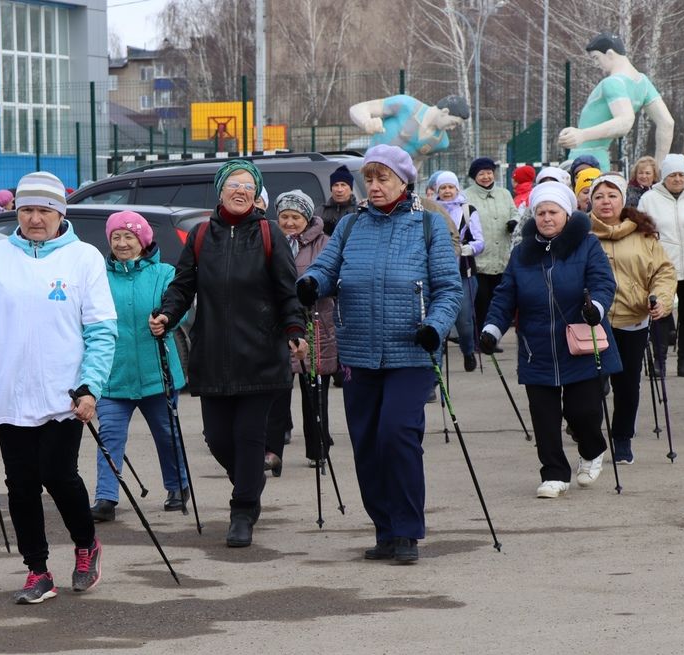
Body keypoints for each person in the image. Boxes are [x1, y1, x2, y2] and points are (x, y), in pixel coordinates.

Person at [295, 144, 462, 565]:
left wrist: (436, 327)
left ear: (404, 181)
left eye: (382, 177)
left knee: (396, 434)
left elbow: (448, 289)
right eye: (368, 178)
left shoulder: (428, 226)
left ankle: (407, 530)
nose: (374, 186)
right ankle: (385, 529)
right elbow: (326, 269)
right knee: (367, 442)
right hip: (359, 351)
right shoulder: (351, 226)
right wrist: (312, 283)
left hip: (411, 349)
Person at [0, 171, 116, 604]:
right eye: (26, 209)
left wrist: (90, 386)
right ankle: (38, 569)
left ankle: (86, 546)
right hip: (9, 392)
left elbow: (102, 331)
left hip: (64, 393)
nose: (35, 218)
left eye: (44, 209)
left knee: (58, 474)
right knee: (21, 484)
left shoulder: (84, 258)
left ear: (60, 212)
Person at [148, 159, 308, 548]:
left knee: (249, 435)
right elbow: (183, 286)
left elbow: (289, 289)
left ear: (256, 197)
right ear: (219, 192)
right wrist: (167, 314)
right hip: (214, 353)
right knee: (218, 438)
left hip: (261, 353)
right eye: (233, 185)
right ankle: (251, 482)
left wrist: (294, 328)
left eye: (248, 187)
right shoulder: (202, 235)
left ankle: (242, 509)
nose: (240, 191)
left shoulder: (269, 233)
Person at [479, 181, 621, 498]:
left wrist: (595, 307)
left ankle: (592, 447)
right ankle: (554, 473)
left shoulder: (587, 245)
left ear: (566, 215)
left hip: (581, 345)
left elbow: (603, 283)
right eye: (540, 212)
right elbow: (505, 297)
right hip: (537, 349)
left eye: (552, 212)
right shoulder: (521, 254)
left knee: (582, 412)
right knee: (544, 418)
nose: (546, 218)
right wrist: (491, 329)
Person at [89, 211, 189, 522]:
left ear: (143, 241)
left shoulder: (164, 273)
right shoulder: (98, 277)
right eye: (116, 237)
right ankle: (106, 497)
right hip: (113, 375)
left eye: (129, 237)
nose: (121, 243)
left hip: (156, 373)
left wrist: (166, 320)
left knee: (167, 433)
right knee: (110, 436)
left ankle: (178, 486)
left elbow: (180, 308)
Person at [587, 173, 676, 463]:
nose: (605, 201)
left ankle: (622, 437)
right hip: (591, 322)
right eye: (599, 196)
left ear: (623, 200)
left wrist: (660, 300)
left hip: (632, 319)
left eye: (612, 195)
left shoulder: (643, 233)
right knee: (590, 385)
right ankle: (588, 439)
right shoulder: (579, 233)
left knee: (627, 384)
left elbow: (663, 271)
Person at [264, 190, 334, 472]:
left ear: (306, 218)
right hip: (278, 326)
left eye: (295, 217)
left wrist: (313, 288)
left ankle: (318, 449)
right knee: (276, 394)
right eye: (284, 217)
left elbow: (333, 276)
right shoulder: (270, 241)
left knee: (314, 392)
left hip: (314, 324)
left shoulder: (324, 243)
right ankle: (272, 452)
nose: (290, 222)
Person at [638, 153, 684, 377]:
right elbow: (640, 227)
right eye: (672, 175)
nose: (677, 179)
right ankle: (659, 361)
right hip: (662, 267)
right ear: (665, 177)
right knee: (660, 313)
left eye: (681, 174)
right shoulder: (650, 199)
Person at [557, 32, 674, 171]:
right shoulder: (643, 82)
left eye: (596, 58)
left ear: (610, 54)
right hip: (599, 158)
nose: (596, 63)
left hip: (584, 159)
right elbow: (667, 123)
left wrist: (582, 135)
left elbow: (625, 121)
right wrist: (660, 169)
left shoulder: (613, 82)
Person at [432, 171, 484, 371]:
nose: (447, 191)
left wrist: (467, 248)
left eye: (450, 187)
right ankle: (435, 363)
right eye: (443, 188)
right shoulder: (431, 209)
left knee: (464, 318)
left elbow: (480, 241)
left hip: (463, 271)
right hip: (437, 269)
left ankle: (468, 349)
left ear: (457, 189)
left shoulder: (468, 210)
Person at [467, 157, 519, 343]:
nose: (486, 176)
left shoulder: (504, 193)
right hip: (479, 260)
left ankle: (491, 338)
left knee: (497, 302)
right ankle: (477, 339)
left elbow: (515, 212)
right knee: (480, 301)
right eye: (481, 173)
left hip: (501, 258)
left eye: (489, 172)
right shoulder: (467, 196)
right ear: (474, 177)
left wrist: (513, 222)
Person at [349, 94, 470, 162]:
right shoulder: (406, 105)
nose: (453, 128)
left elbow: (417, 162)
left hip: (397, 187)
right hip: (371, 169)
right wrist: (367, 122)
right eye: (453, 123)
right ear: (445, 112)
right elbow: (358, 108)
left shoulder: (441, 142)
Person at [321, 165, 359, 236]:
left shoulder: (359, 212)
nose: (339, 190)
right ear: (331, 189)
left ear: (350, 189)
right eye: (336, 185)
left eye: (343, 185)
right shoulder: (320, 212)